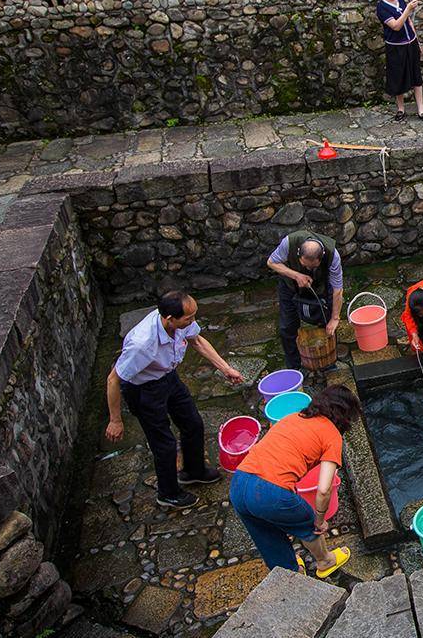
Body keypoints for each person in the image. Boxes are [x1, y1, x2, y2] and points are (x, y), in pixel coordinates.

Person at [103, 291, 244, 508]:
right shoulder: (142, 344)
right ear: (169, 318)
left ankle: (193, 471)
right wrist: (115, 420)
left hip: (168, 377)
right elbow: (113, 379)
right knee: (164, 445)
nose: (193, 322)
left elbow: (196, 340)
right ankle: (168, 493)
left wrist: (225, 368)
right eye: (188, 318)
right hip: (144, 391)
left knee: (193, 423)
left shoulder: (180, 323)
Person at [230, 385, 357, 577]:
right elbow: (323, 490)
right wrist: (320, 519)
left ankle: (290, 571)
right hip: (270, 493)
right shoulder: (332, 435)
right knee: (307, 521)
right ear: (345, 415)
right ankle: (325, 561)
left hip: (239, 483)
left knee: (266, 533)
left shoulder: (294, 417)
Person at [266, 230, 344, 371]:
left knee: (328, 323)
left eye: (312, 267)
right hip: (290, 285)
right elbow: (271, 262)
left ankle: (328, 362)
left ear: (321, 258)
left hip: (320, 286)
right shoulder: (289, 243)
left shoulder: (333, 256)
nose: (307, 269)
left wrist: (335, 318)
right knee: (287, 327)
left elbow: (337, 290)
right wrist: (296, 275)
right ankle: (294, 367)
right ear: (298, 254)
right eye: (304, 265)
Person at [375, 0, 423, 122]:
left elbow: (409, 22)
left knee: (416, 76)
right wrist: (408, 9)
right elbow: (396, 26)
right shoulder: (382, 8)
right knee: (398, 77)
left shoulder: (401, 1)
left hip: (410, 44)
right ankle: (400, 109)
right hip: (395, 47)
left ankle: (421, 110)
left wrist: (416, 41)